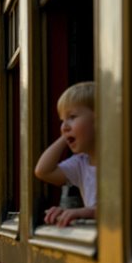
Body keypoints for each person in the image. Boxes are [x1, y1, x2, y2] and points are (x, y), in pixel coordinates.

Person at [34, 81, 96, 227]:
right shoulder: (81, 162)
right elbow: (43, 171)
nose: (64, 126)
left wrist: (87, 212)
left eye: (72, 117)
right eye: (62, 120)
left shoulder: (122, 160)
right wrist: (66, 135)